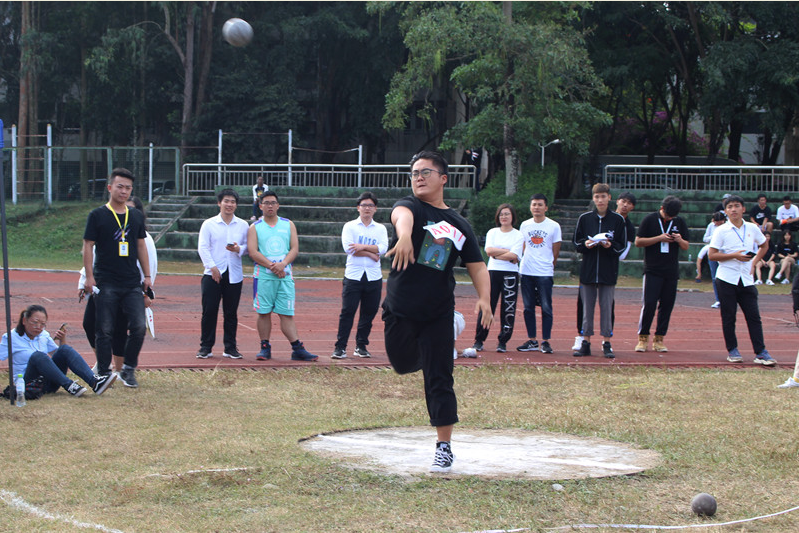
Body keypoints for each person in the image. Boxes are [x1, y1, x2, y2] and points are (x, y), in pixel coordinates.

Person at [381, 150, 491, 473]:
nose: (418, 177)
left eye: (425, 172)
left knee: (439, 378)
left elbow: (477, 266)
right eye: (414, 173)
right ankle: (433, 352)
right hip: (400, 308)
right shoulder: (411, 206)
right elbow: (401, 216)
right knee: (401, 364)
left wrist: (485, 298)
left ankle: (444, 447)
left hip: (438, 312)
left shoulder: (459, 224)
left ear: (443, 178)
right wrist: (404, 236)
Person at [82, 167, 152, 388]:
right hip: (105, 280)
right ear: (110, 187)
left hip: (131, 281)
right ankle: (104, 373)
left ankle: (128, 369)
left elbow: (141, 245)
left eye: (128, 188)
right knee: (104, 329)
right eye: (120, 186)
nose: (124, 191)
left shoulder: (136, 216)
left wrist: (147, 275)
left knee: (139, 326)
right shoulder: (97, 215)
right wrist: (89, 277)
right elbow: (87, 245)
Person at [248, 191, 318, 361]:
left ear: (278, 205)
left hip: (284, 276)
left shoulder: (288, 224)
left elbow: (294, 248)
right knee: (264, 312)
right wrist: (272, 266)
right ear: (260, 206)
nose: (270, 206)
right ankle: (265, 347)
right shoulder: (255, 227)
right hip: (264, 277)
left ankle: (297, 348)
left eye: (273, 203)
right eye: (266, 203)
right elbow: (253, 251)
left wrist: (283, 264)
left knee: (286, 313)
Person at [708, 195, 775, 366]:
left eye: (737, 206)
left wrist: (754, 261)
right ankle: (732, 350)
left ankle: (761, 352)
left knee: (754, 317)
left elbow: (764, 245)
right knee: (729, 316)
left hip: (746, 279)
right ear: (725, 211)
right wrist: (734, 256)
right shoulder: (721, 230)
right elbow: (712, 255)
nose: (733, 209)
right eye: (730, 207)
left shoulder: (752, 228)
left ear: (743, 209)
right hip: (726, 278)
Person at [0, 305, 116, 397]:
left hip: (49, 382)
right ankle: (70, 385)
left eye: (43, 324)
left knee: (64, 349)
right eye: (35, 322)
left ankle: (95, 382)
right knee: (38, 356)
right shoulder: (10, 337)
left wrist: (62, 340)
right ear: (24, 320)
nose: (39, 327)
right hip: (27, 383)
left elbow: (59, 357)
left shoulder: (44, 335)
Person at [574, 191, 636, 351]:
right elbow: (577, 242)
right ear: (593, 198)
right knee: (586, 308)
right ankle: (585, 341)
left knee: (607, 307)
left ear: (609, 198)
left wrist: (610, 246)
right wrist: (586, 244)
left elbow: (621, 246)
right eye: (597, 197)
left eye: (603, 197)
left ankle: (607, 342)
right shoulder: (584, 218)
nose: (600, 200)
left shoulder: (618, 220)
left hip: (608, 270)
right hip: (588, 270)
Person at [332, 192, 389, 359]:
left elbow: (383, 248)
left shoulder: (380, 228)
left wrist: (361, 247)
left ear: (375, 209)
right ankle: (340, 347)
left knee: (368, 313)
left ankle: (361, 346)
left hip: (373, 277)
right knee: (347, 312)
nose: (367, 208)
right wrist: (371, 253)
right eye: (364, 205)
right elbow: (349, 249)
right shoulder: (350, 226)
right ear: (358, 208)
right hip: (353, 276)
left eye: (371, 205)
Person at [196, 188, 250, 360]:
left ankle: (230, 347)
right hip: (212, 273)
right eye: (226, 201)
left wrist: (238, 249)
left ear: (236, 205)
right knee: (209, 311)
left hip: (234, 274)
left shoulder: (243, 225)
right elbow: (203, 247)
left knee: (231, 312)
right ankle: (206, 347)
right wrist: (212, 267)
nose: (229, 204)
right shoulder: (209, 224)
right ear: (219, 203)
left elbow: (249, 247)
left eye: (233, 202)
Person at [634, 195, 690, 353]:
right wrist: (659, 238)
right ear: (662, 208)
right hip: (652, 270)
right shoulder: (650, 220)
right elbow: (638, 242)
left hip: (671, 271)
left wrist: (679, 240)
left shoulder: (679, 222)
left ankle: (659, 338)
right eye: (667, 215)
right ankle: (643, 338)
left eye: (672, 216)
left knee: (667, 306)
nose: (669, 218)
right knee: (649, 304)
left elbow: (686, 246)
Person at [471, 203, 523, 353]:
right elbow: (488, 251)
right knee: (488, 306)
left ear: (512, 216)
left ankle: (503, 341)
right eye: (501, 214)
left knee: (508, 308)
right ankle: (479, 340)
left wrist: (497, 253)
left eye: (507, 214)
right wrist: (506, 252)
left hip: (510, 274)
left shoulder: (518, 235)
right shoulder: (492, 232)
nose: (504, 217)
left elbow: (515, 255)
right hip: (492, 272)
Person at [516, 194, 561, 354]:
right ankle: (532, 340)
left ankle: (546, 341)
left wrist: (549, 265)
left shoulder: (554, 226)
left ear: (546, 207)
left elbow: (555, 249)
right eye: (534, 204)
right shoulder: (525, 225)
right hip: (527, 271)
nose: (536, 207)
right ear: (530, 207)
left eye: (540, 204)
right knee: (528, 308)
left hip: (544, 272)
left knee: (546, 307)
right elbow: (523, 246)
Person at [694, 212, 727, 308]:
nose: (716, 224)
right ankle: (718, 299)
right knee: (714, 277)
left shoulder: (728, 227)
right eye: (715, 222)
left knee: (725, 277)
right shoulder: (711, 226)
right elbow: (705, 239)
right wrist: (715, 237)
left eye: (719, 222)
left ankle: (727, 299)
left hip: (724, 253)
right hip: (713, 253)